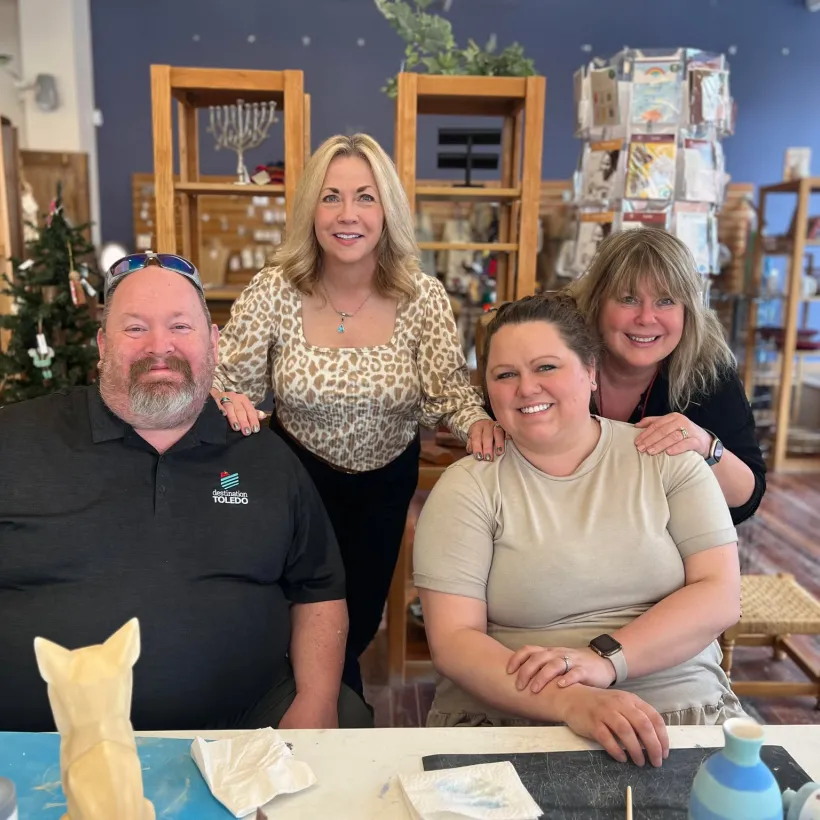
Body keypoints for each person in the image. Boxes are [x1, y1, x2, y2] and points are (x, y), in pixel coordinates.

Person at [0, 251, 372, 732]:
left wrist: (316, 702)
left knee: (347, 718)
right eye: (135, 328)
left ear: (212, 343)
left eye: (180, 326)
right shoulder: (16, 440)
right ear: (102, 344)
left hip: (244, 727)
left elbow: (318, 590)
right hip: (39, 740)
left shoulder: (264, 457)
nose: (160, 346)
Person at [210, 133, 502, 698]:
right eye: (331, 197)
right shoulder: (275, 289)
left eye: (365, 197)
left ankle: (325, 710)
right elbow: (225, 380)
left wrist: (479, 424)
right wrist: (227, 400)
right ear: (310, 210)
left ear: (387, 209)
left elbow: (451, 393)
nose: (348, 214)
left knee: (360, 622)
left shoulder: (422, 296)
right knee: (300, 617)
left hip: (384, 488)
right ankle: (323, 718)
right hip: (297, 481)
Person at [413, 294, 744, 767]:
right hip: (512, 718)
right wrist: (573, 702)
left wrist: (605, 660)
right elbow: (454, 642)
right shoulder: (467, 486)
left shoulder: (667, 459)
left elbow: (720, 595)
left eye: (546, 367)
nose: (526, 388)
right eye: (505, 375)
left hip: (677, 711)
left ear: (591, 371)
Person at [570, 228, 765, 525]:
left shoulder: (709, 371)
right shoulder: (559, 354)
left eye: (665, 301)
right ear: (597, 304)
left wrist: (704, 444)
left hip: (667, 543)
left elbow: (746, 498)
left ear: (688, 311)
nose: (646, 318)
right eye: (628, 299)